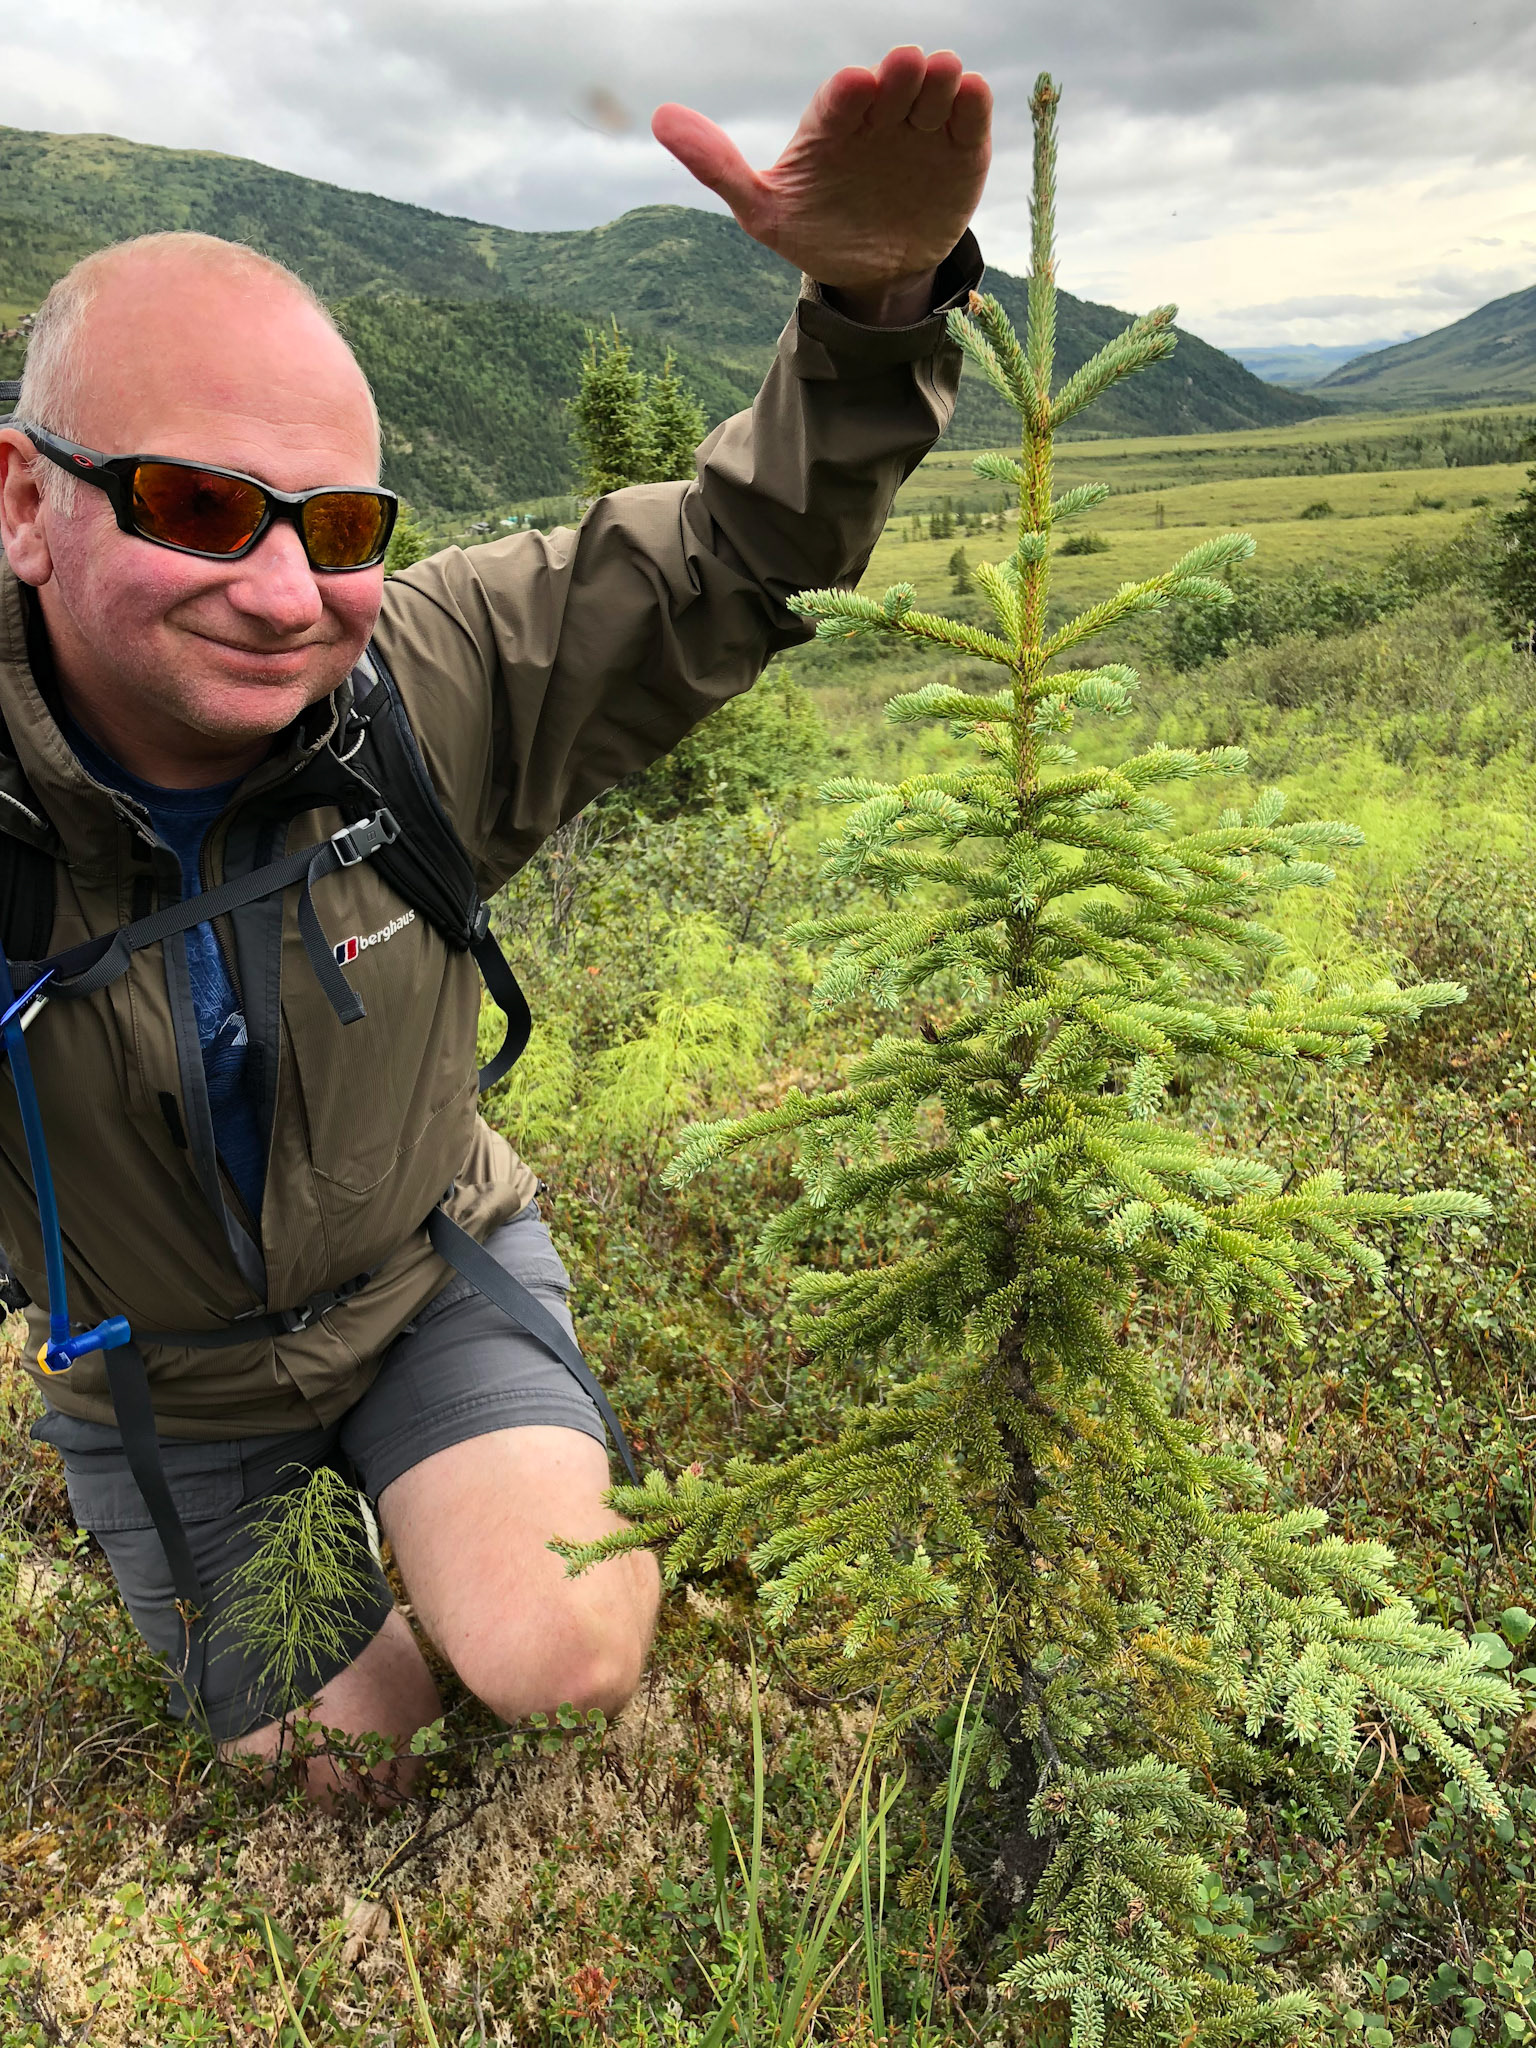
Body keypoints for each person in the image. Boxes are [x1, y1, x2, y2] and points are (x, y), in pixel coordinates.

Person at [0, 46, 992, 1810]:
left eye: (344, 525)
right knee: (344, 1767)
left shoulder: (425, 682)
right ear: (28, 500)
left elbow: (737, 551)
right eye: (203, 508)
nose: (288, 592)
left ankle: (463, 1466)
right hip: (173, 1394)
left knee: (560, 1658)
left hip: (420, 1277)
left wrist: (874, 308)